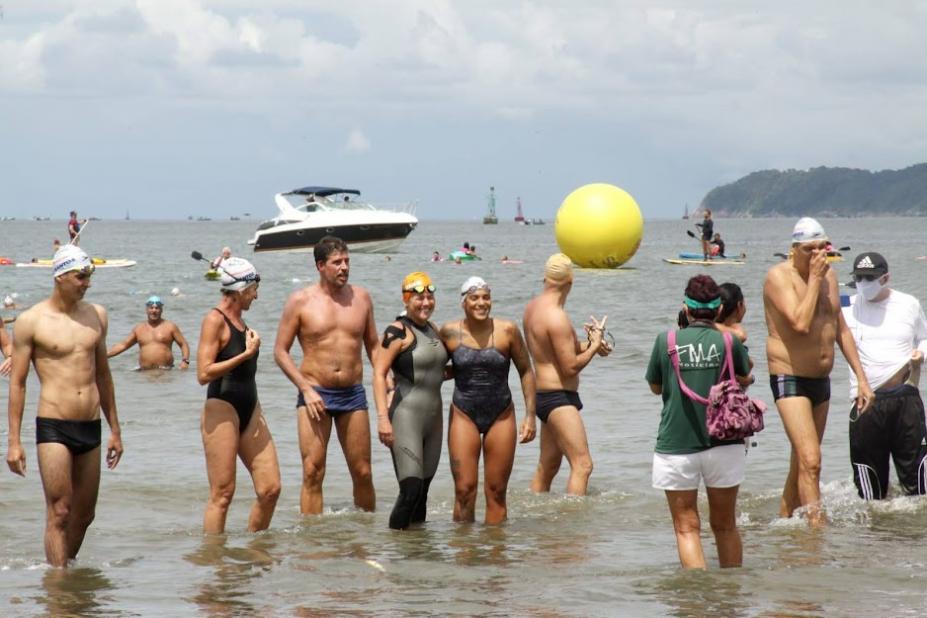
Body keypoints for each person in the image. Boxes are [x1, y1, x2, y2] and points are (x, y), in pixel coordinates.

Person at [5, 245, 124, 566]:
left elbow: (103, 373)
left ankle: (62, 574)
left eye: (89, 277)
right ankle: (59, 592)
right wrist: (14, 442)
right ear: (60, 277)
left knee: (84, 515)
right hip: (53, 426)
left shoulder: (97, 315)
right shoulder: (31, 321)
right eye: (81, 277)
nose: (87, 283)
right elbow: (17, 383)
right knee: (59, 511)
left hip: (92, 425)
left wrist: (115, 429)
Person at [763, 217, 873, 526]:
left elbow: (841, 330)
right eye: (809, 249)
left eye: (821, 248)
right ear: (794, 249)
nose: (816, 256)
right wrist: (813, 279)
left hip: (821, 380)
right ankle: (816, 535)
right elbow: (799, 322)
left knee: (802, 461)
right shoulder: (778, 277)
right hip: (790, 377)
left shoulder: (830, 278)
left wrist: (862, 380)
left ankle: (784, 523)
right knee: (812, 461)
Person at [646, 275, 753, 569]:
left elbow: (656, 387)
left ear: (686, 308)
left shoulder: (665, 341)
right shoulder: (729, 340)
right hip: (725, 442)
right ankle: (729, 601)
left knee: (686, 527)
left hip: (677, 445)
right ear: (719, 310)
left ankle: (698, 604)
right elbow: (745, 375)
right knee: (726, 525)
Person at [274, 236, 378, 515]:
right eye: (337, 262)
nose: (344, 267)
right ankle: (312, 539)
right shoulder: (300, 301)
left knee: (363, 471)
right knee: (312, 471)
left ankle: (366, 535)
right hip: (315, 394)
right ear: (320, 265)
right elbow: (280, 352)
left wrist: (385, 377)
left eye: (347, 261)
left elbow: (374, 346)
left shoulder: (362, 298)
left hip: (353, 394)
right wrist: (306, 390)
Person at [440, 275, 536, 523]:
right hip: (463, 413)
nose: (481, 303)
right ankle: (465, 552)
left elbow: (526, 370)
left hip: (501, 414)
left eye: (486, 297)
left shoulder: (508, 331)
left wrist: (531, 416)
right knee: (464, 491)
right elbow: (431, 367)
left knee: (496, 492)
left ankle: (495, 555)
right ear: (464, 302)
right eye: (474, 298)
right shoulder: (449, 332)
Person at [196, 257, 280, 534]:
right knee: (222, 494)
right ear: (241, 289)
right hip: (222, 408)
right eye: (254, 288)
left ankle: (254, 554)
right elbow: (203, 372)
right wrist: (246, 353)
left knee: (270, 489)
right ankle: (216, 565)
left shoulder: (242, 322)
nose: (256, 295)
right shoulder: (214, 320)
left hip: (251, 408)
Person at [523, 253, 611, 496]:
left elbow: (553, 351)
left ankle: (538, 517)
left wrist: (592, 343)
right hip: (558, 399)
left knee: (548, 466)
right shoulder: (557, 317)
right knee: (583, 465)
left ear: (546, 277)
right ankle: (573, 527)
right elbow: (569, 367)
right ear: (570, 280)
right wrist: (593, 347)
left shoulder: (533, 308)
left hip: (544, 395)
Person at [842, 252, 927, 499]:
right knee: (870, 493)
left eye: (870, 277)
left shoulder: (908, 303)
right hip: (865, 401)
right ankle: (873, 538)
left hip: (906, 398)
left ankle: (913, 537)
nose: (864, 283)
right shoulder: (846, 307)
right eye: (858, 277)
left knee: (919, 487)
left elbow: (924, 337)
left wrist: (920, 354)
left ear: (886, 277)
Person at [373, 272, 449, 529]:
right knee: (410, 489)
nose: (426, 303)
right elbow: (378, 374)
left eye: (430, 297)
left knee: (424, 491)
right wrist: (383, 419)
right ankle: (395, 550)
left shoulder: (433, 329)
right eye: (419, 298)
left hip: (434, 419)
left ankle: (417, 555)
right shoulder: (397, 331)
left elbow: (436, 370)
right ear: (406, 300)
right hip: (406, 418)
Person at [107, 296, 191, 370]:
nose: (154, 310)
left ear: (161, 310)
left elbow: (183, 344)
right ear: (146, 310)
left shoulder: (170, 327)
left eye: (157, 308)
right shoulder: (139, 329)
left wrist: (185, 361)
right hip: (144, 372)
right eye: (151, 308)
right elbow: (123, 345)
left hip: (166, 371)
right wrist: (103, 355)